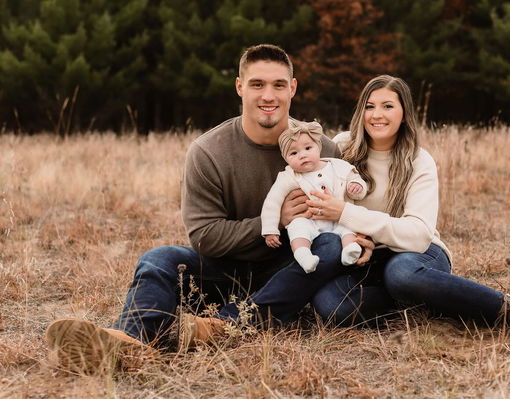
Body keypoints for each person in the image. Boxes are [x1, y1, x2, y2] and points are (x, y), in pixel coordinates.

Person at [44, 44, 370, 373]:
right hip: (223, 271)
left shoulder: (322, 148)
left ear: (293, 88)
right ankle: (131, 343)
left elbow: (349, 211)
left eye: (278, 85)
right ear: (240, 86)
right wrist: (275, 221)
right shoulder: (208, 151)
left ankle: (221, 327)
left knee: (329, 246)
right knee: (158, 260)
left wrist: (360, 234)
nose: (268, 96)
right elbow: (204, 237)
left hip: (292, 271)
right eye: (257, 84)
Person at [308, 75, 510, 335]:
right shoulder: (343, 147)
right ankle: (425, 305)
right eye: (370, 106)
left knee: (402, 275)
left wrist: (347, 214)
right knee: (331, 304)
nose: (377, 115)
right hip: (362, 255)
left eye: (388, 106)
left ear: (404, 113)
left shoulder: (419, 161)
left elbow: (418, 234)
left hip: (417, 254)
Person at [261, 120, 367, 273]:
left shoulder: (338, 166)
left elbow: (356, 180)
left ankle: (350, 249)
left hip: (338, 217)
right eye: (294, 153)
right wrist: (270, 228)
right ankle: (304, 255)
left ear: (319, 147)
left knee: (349, 224)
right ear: (286, 159)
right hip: (310, 220)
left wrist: (356, 188)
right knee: (297, 228)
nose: (302, 155)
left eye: (308, 148)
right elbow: (272, 201)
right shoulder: (288, 177)